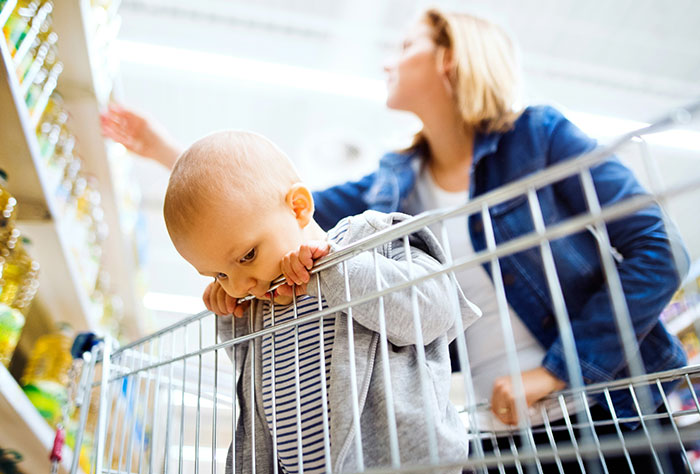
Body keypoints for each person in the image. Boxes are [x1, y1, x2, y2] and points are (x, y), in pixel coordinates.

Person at [104, 8, 689, 472]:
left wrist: (562, 370)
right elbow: (267, 209)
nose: (389, 62)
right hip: (494, 427)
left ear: (453, 59)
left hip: (608, 407)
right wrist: (169, 153)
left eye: (406, 46)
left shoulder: (538, 138)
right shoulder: (394, 183)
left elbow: (659, 251)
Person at [163, 130, 480, 473]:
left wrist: (335, 269)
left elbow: (434, 312)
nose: (240, 286)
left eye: (247, 256)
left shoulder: (370, 238)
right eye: (218, 275)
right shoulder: (262, 300)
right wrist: (231, 316)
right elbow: (252, 373)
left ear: (298, 208)